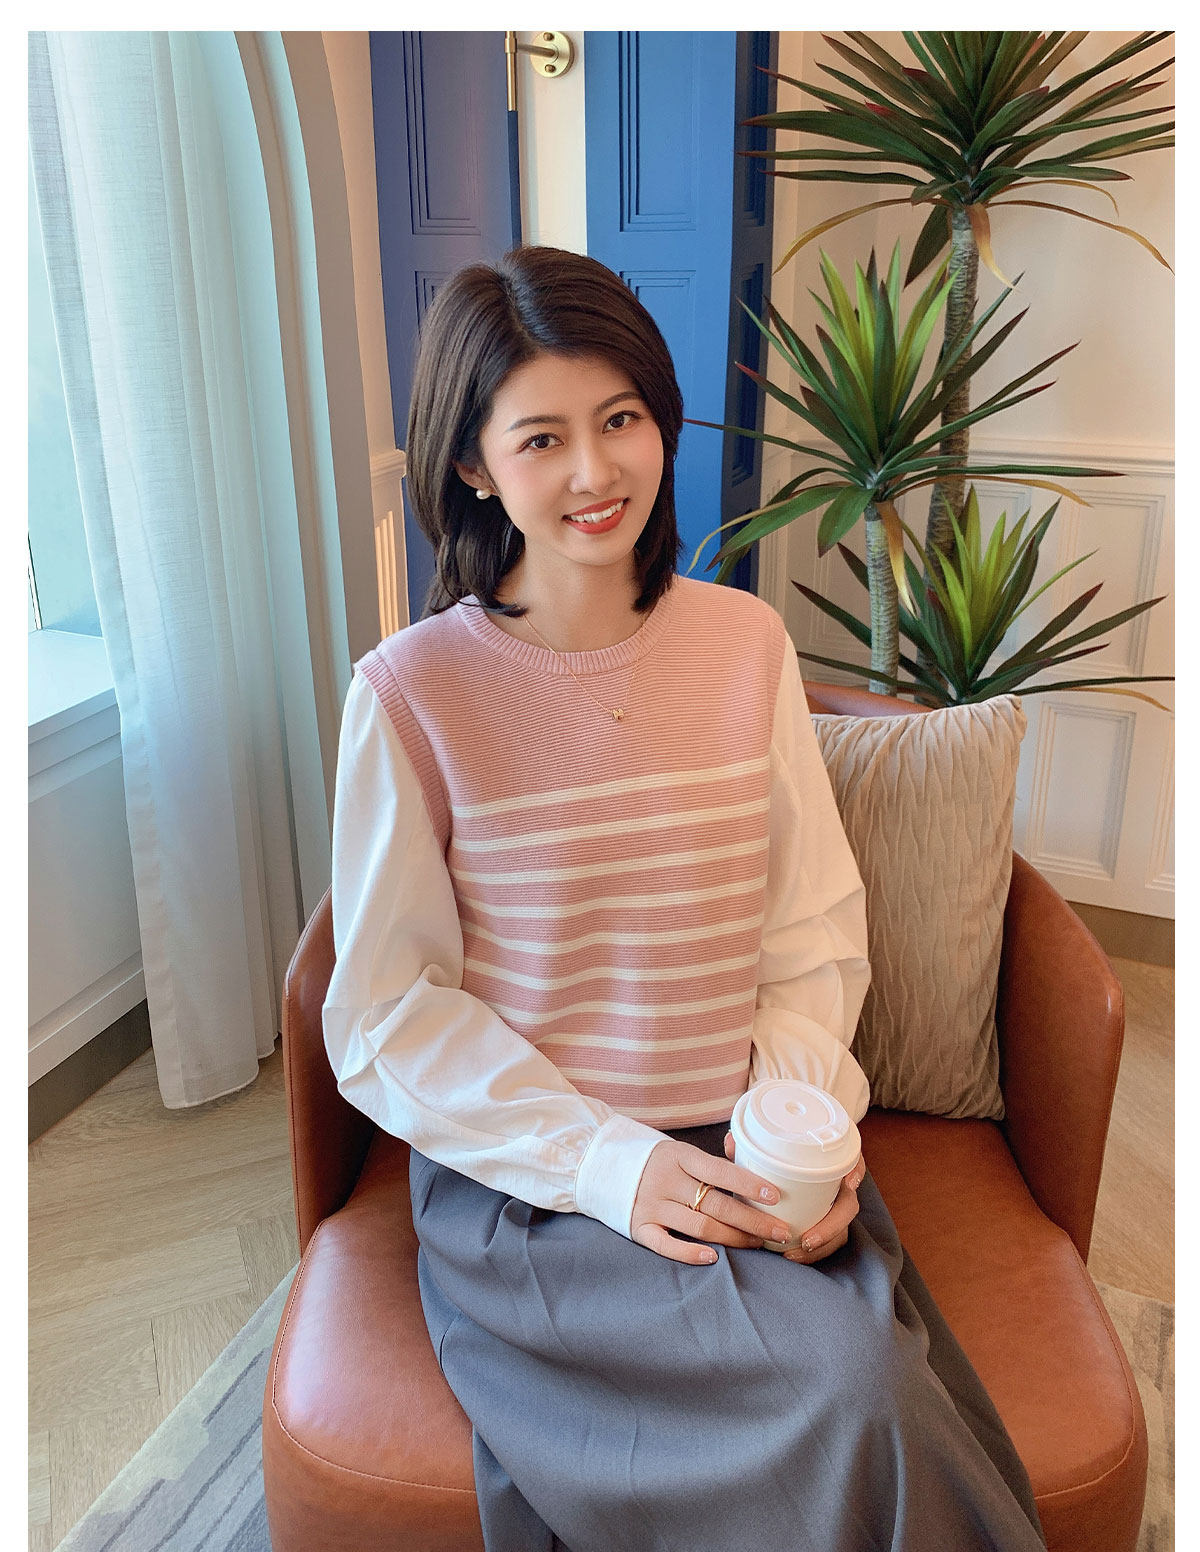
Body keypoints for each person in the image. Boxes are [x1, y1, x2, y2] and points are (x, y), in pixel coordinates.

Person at [322, 245, 1047, 1552]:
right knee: (859, 1394)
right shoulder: (411, 695)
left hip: (741, 1134)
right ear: (474, 465)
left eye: (622, 420)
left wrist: (800, 1133)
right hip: (537, 1181)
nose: (595, 471)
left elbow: (809, 926)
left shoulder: (743, 644)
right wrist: (611, 1163)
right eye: (542, 438)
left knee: (868, 1392)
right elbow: (385, 1014)